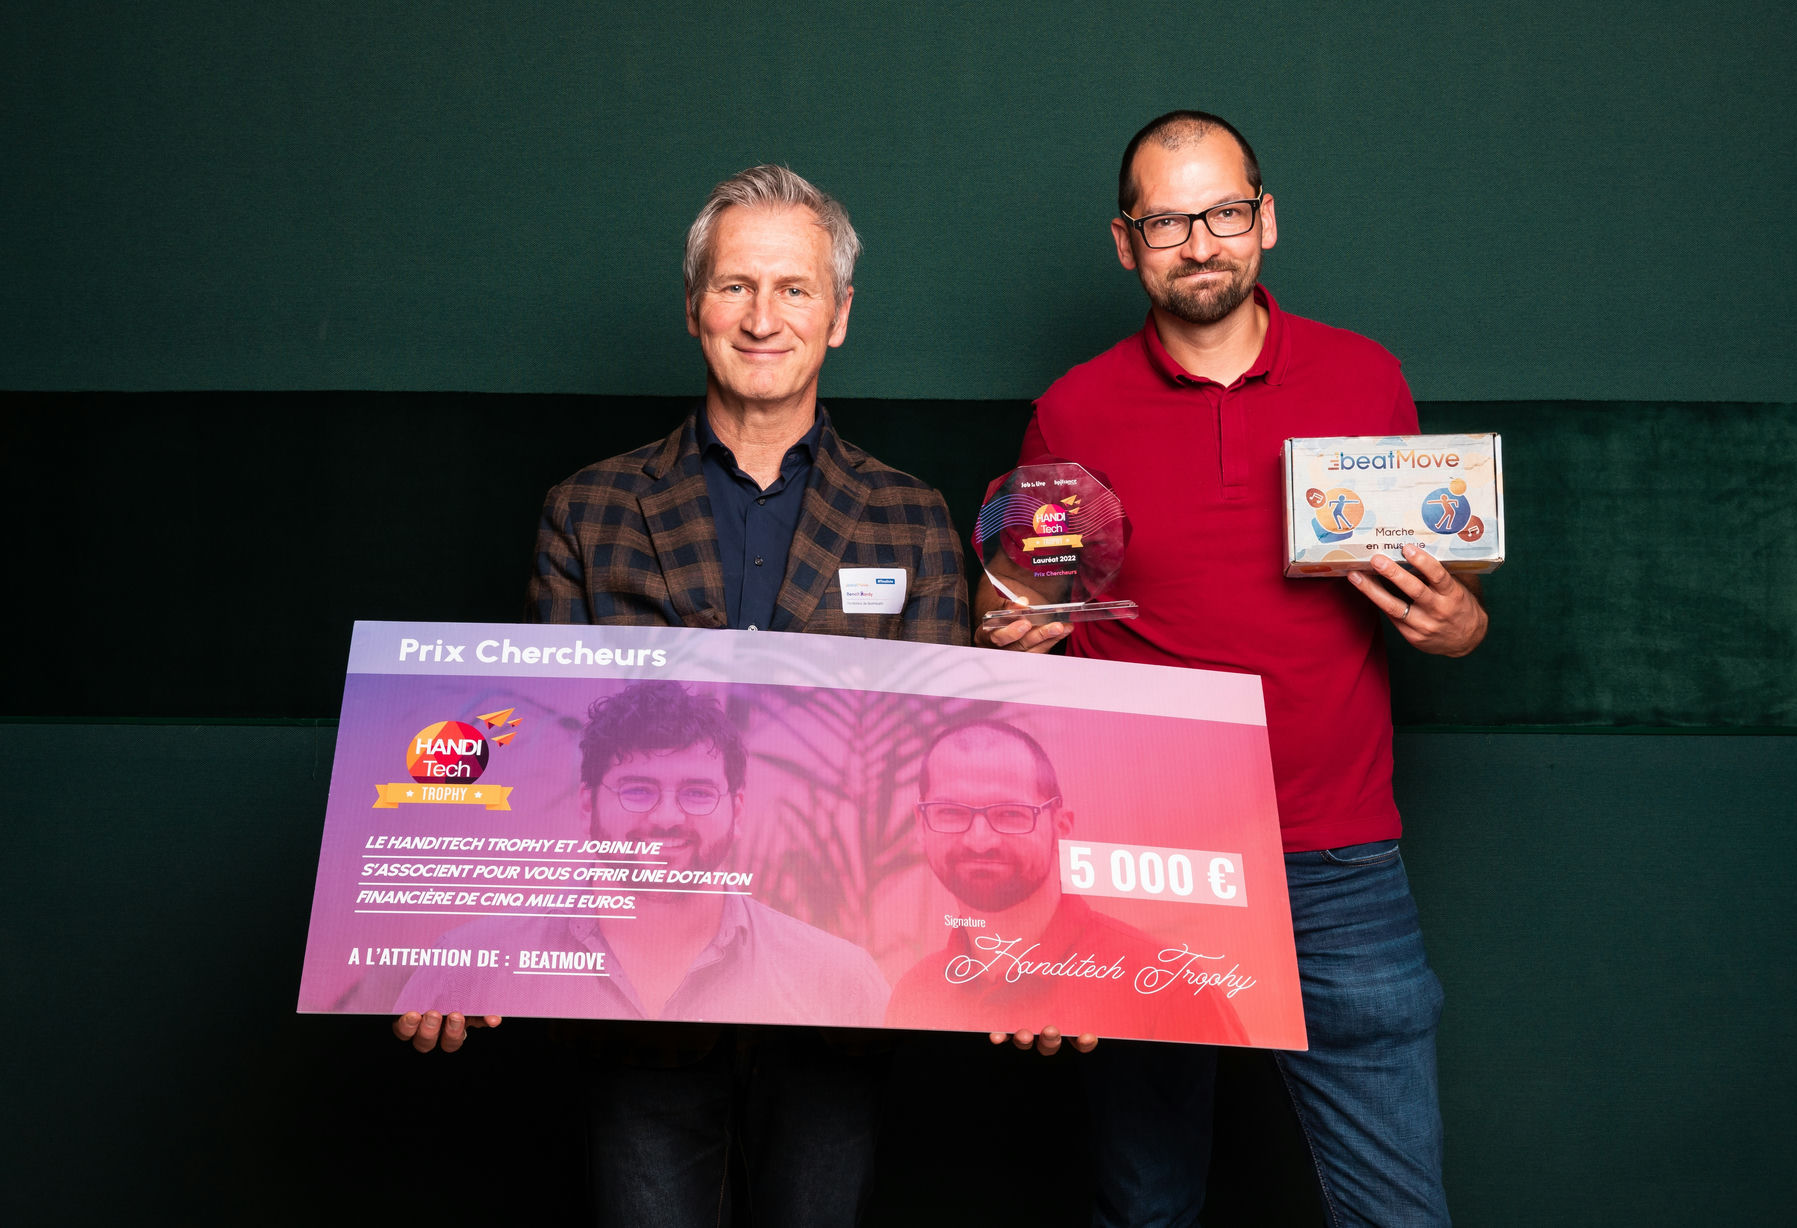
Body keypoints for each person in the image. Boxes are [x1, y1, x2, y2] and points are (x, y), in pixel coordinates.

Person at [396, 163, 970, 1227]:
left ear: (838, 316)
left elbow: (932, 772)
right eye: (735, 286)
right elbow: (535, 766)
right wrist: (452, 942)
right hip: (636, 1005)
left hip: (829, 1001)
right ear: (695, 308)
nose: (763, 317)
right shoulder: (589, 507)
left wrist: (1022, 967)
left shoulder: (912, 518)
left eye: (794, 289)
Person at [976, 112, 1487, 1227]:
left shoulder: (1366, 382)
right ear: (1125, 242)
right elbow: (1025, 600)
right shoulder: (1072, 408)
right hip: (1143, 864)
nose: (1196, 242)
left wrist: (1456, 627)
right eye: (1165, 220)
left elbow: (1436, 596)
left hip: (1336, 855)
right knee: (1147, 1203)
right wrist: (1008, 619)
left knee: (1398, 1213)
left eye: (1219, 213)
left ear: (1263, 220)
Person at [393, 682, 890, 1027]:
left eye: (697, 792)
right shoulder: (469, 964)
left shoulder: (837, 977)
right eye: (637, 790)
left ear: (737, 810)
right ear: (588, 804)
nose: (666, 818)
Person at [885, 720, 1245, 1044]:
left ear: (1061, 825)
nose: (980, 840)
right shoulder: (915, 992)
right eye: (950, 812)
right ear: (920, 823)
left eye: (1011, 814)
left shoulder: (1166, 982)